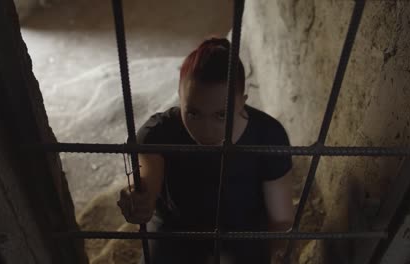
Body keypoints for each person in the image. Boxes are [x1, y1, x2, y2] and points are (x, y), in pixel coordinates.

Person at [117, 37, 294, 264]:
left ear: (243, 101)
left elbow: (280, 220)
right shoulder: (158, 133)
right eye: (193, 113)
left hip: (242, 237)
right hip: (176, 236)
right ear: (180, 98)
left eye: (221, 115)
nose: (206, 130)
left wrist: (280, 253)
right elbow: (147, 183)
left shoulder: (269, 136)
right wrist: (139, 200)